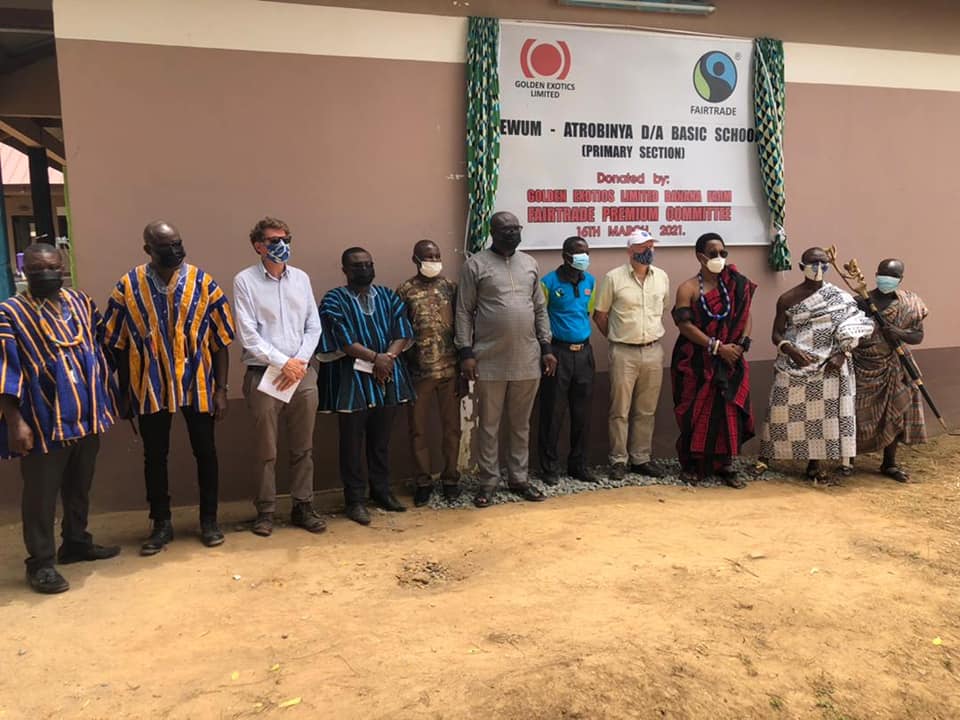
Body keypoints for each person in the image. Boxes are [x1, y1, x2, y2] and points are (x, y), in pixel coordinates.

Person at [104, 221, 234, 554]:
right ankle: (161, 524)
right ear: (148, 249)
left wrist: (221, 389)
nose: (175, 251)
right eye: (166, 246)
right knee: (155, 457)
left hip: (199, 383)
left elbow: (221, 341)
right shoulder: (127, 286)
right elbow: (116, 343)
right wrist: (123, 394)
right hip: (149, 386)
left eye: (178, 243)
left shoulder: (203, 282)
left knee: (206, 452)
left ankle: (209, 520)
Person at [0, 243, 120, 593]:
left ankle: (76, 542)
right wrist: (14, 421)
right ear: (25, 273)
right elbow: (5, 369)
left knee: (79, 485)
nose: (46, 274)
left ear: (63, 266)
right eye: (37, 270)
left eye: (52, 267)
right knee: (40, 493)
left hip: (87, 414)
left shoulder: (80, 303)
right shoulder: (10, 313)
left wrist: (107, 394)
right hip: (41, 421)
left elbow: (102, 346)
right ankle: (40, 562)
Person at [456, 211, 556, 508]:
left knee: (520, 423)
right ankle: (488, 481)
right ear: (493, 232)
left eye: (516, 228)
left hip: (528, 357)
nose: (512, 233)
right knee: (488, 424)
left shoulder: (530, 264)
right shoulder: (475, 265)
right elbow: (463, 311)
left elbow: (539, 308)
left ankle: (519, 478)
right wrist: (465, 351)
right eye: (506, 229)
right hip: (489, 359)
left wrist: (547, 346)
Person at [233, 217, 326, 536]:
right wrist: (282, 362)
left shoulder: (301, 279)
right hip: (265, 375)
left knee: (303, 446)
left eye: (286, 238)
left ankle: (303, 505)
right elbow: (248, 335)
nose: (282, 245)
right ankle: (266, 511)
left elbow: (314, 326)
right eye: (274, 241)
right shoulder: (244, 281)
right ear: (258, 246)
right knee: (266, 450)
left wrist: (298, 362)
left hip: (302, 374)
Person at [757, 247, 873, 482]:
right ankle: (766, 457)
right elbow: (777, 335)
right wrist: (790, 350)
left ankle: (814, 463)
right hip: (794, 363)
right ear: (802, 267)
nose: (818, 268)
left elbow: (858, 328)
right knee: (779, 410)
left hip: (830, 365)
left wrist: (842, 354)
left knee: (822, 417)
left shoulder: (841, 298)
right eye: (813, 264)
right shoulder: (787, 298)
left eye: (823, 264)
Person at [318, 247, 415, 525]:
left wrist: (389, 358)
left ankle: (382, 491)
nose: (364, 269)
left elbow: (402, 331)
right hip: (352, 382)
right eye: (357, 265)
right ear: (344, 270)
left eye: (368, 264)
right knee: (351, 443)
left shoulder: (387, 296)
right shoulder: (334, 299)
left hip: (387, 380)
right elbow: (344, 340)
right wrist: (376, 358)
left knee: (381, 442)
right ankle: (355, 500)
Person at [670, 233, 756, 488]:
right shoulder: (687, 288)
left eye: (723, 253)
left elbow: (745, 315)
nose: (719, 258)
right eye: (713, 253)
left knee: (728, 409)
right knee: (695, 411)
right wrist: (716, 347)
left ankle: (724, 464)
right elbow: (684, 324)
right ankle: (695, 465)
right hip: (696, 360)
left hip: (731, 358)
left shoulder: (735, 284)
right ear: (700, 256)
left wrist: (741, 344)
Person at [593, 229, 670, 481]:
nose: (648, 250)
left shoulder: (662, 278)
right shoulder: (613, 278)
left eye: (651, 246)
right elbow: (600, 314)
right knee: (620, 410)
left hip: (653, 350)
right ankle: (618, 459)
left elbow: (664, 308)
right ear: (630, 250)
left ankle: (641, 458)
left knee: (646, 410)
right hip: (623, 352)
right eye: (642, 246)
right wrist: (617, 337)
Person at [396, 240, 461, 507]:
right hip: (418, 373)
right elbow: (399, 331)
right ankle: (423, 481)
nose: (433, 260)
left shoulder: (451, 288)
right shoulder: (404, 291)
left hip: (450, 370)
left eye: (437, 255)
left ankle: (451, 479)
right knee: (418, 431)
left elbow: (463, 325)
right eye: (428, 257)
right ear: (415, 260)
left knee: (452, 430)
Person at [852, 259, 928, 482]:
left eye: (893, 276)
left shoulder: (909, 303)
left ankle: (889, 463)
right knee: (857, 414)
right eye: (884, 274)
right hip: (863, 365)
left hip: (896, 365)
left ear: (900, 279)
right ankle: (848, 460)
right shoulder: (860, 301)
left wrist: (898, 333)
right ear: (876, 275)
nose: (888, 279)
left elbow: (918, 336)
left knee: (895, 411)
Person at [538, 235, 599, 485]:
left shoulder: (591, 282)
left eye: (586, 252)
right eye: (579, 253)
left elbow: (588, 312)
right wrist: (547, 350)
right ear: (566, 256)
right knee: (552, 412)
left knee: (582, 413)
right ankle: (549, 467)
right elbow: (540, 317)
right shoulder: (548, 283)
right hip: (557, 354)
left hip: (584, 353)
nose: (585, 257)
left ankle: (578, 465)